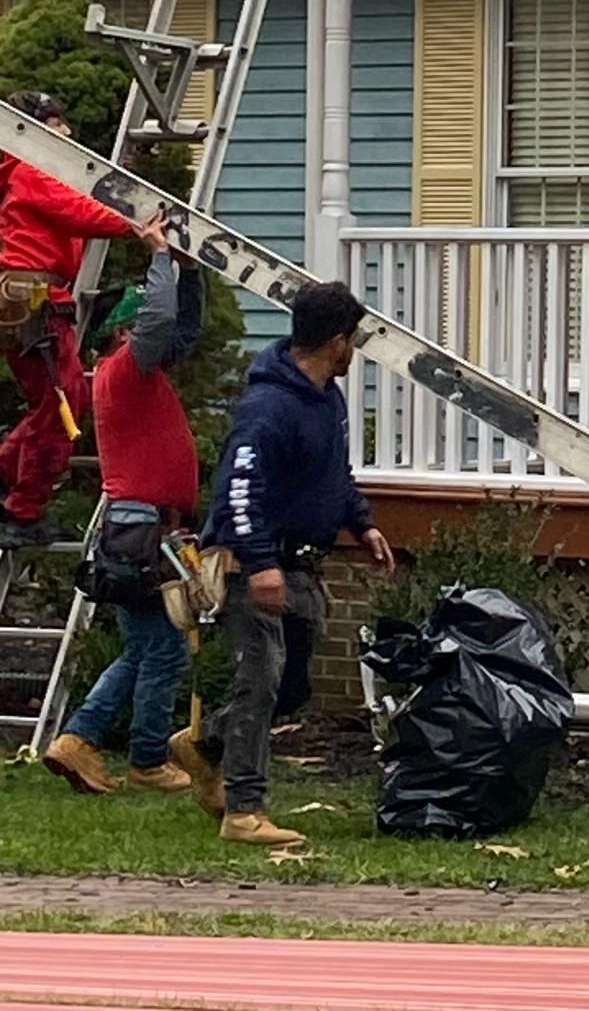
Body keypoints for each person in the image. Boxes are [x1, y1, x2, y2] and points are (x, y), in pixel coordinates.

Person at [172, 281, 394, 846]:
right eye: (355, 338)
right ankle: (243, 811)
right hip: (256, 569)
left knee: (291, 688)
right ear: (337, 341)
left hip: (303, 566)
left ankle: (203, 747)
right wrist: (261, 564)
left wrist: (362, 523)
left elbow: (332, 477)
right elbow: (239, 491)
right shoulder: (267, 408)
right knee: (259, 683)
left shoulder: (327, 400)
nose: (357, 349)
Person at [42, 218, 204, 796]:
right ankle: (145, 758)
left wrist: (188, 273)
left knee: (147, 647)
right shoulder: (128, 371)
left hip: (135, 526)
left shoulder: (131, 371)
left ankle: (78, 740)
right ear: (125, 332)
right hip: (139, 527)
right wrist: (160, 257)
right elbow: (161, 323)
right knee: (162, 650)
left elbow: (179, 328)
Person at [0, 92, 148, 549]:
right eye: (54, 123)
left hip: (34, 296)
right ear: (34, 131)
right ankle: (21, 513)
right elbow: (84, 212)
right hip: (33, 297)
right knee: (63, 408)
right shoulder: (32, 171)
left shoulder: (26, 174)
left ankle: (8, 482)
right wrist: (139, 218)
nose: (66, 132)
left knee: (53, 404)